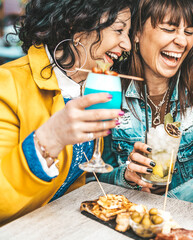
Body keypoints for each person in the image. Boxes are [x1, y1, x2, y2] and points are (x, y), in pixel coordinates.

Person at [0, 0, 133, 225]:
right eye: (119, 30)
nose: (127, 44)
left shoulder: (88, 84)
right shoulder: (8, 83)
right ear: (76, 25)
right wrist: (51, 138)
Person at [98, 0, 193, 203]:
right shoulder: (109, 87)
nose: (182, 41)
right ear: (136, 33)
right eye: (169, 29)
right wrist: (126, 176)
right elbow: (94, 176)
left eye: (189, 32)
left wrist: (171, 203)